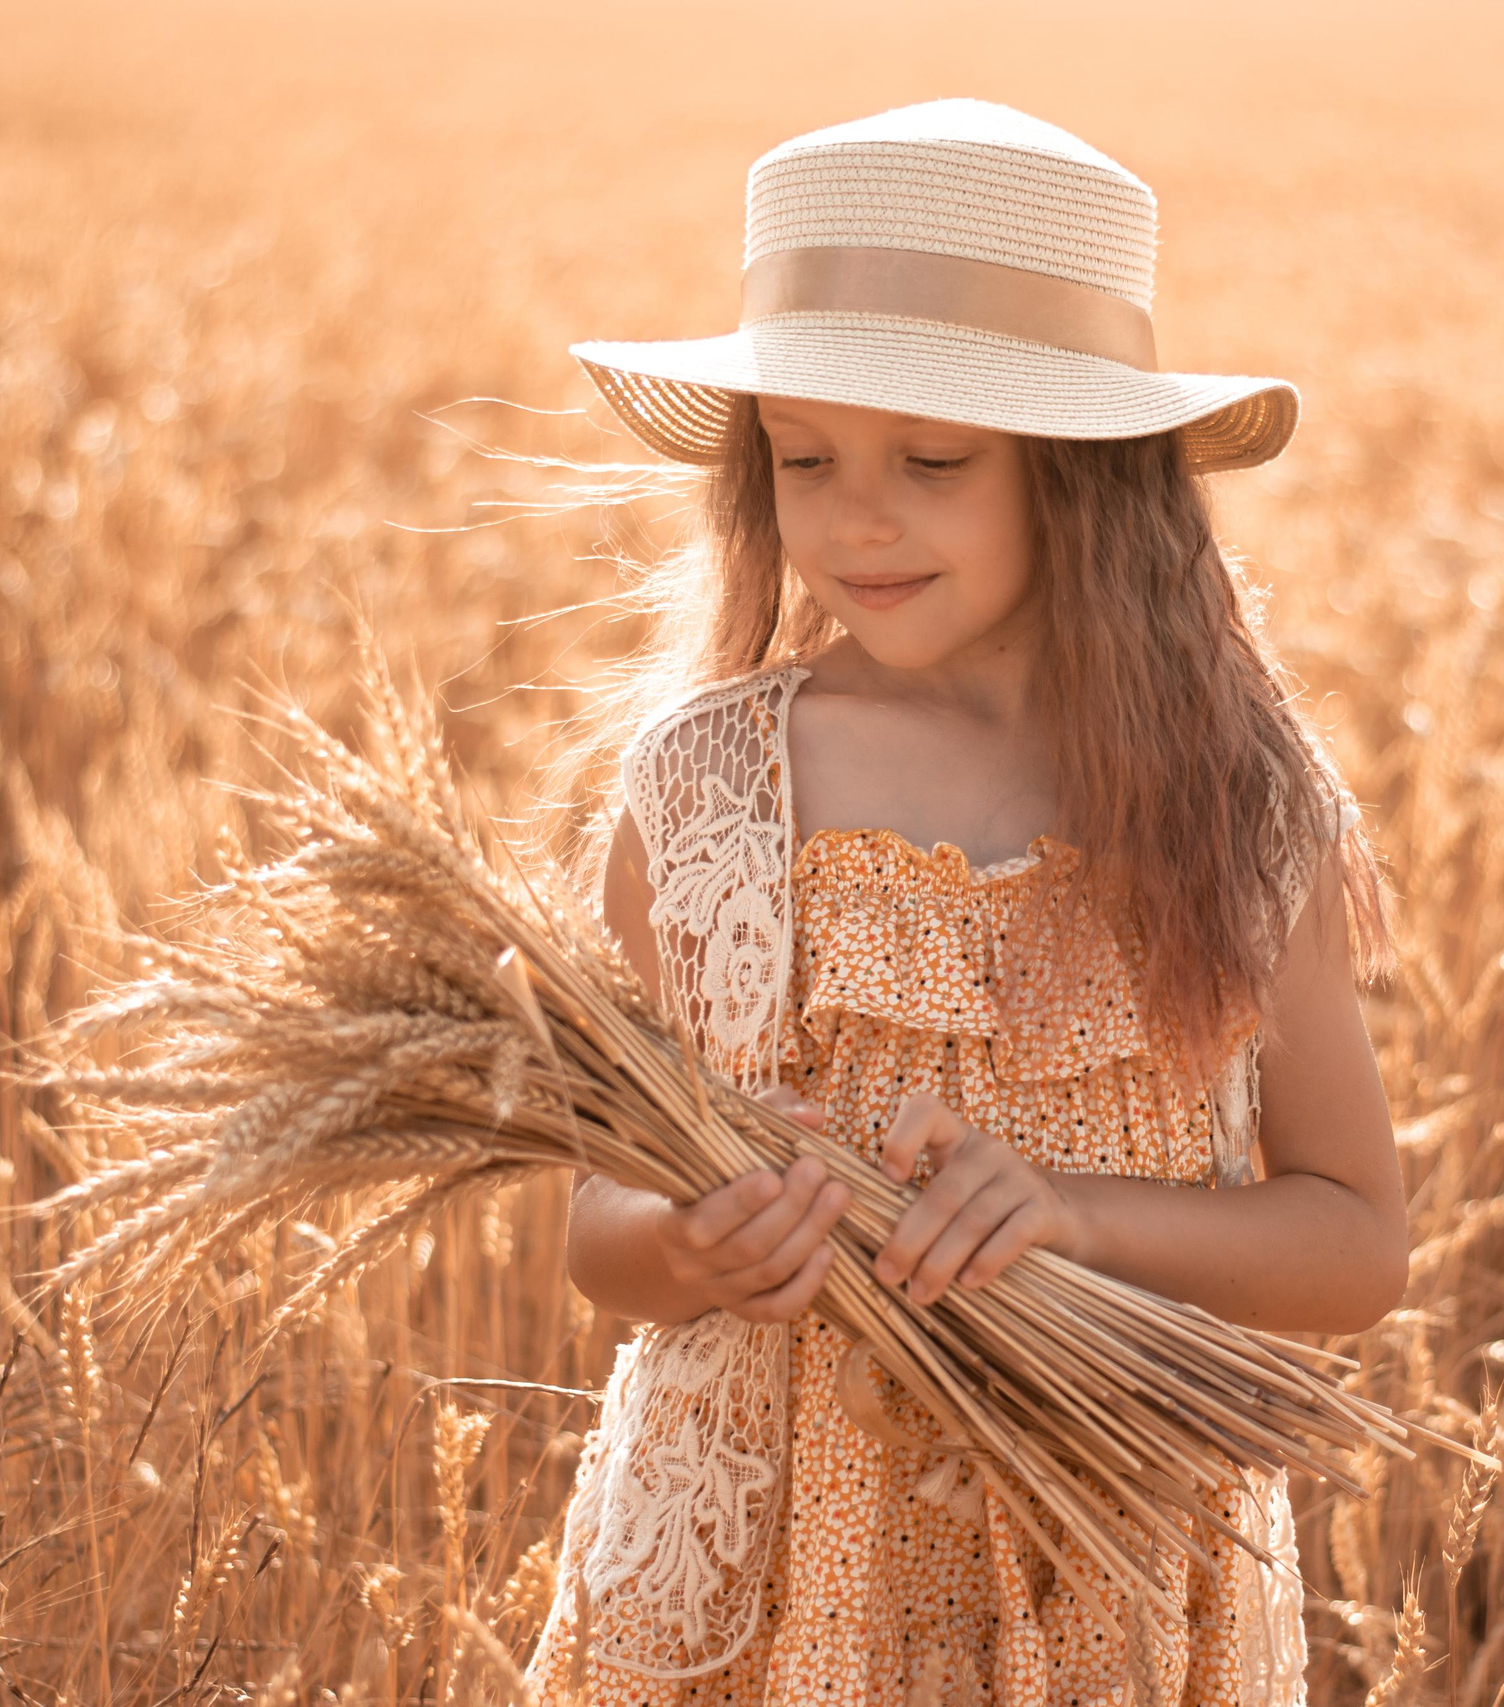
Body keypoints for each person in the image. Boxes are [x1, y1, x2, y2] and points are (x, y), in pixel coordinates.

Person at [525, 98, 1407, 1707]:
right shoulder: (712, 793)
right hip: (775, 1576)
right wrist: (698, 1241)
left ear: (1084, 476)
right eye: (806, 460)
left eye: (932, 461)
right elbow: (599, 1233)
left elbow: (1352, 1242)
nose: (862, 515)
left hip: (1111, 1572)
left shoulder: (1236, 802)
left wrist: (1074, 1218)